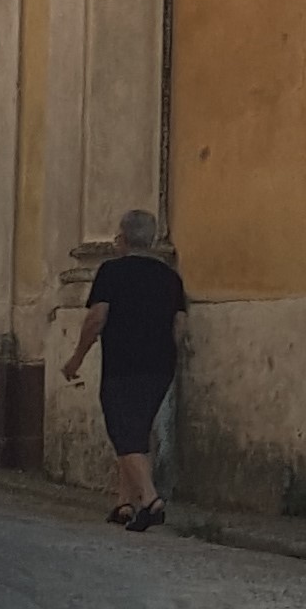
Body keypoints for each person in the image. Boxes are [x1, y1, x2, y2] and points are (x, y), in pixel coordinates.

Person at [62, 209, 188, 529]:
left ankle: (150, 499)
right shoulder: (171, 278)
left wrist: (76, 357)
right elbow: (180, 326)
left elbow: (96, 318)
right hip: (160, 367)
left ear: (122, 238)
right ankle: (124, 503)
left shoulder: (112, 272)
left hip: (123, 364)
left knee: (123, 431)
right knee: (136, 430)